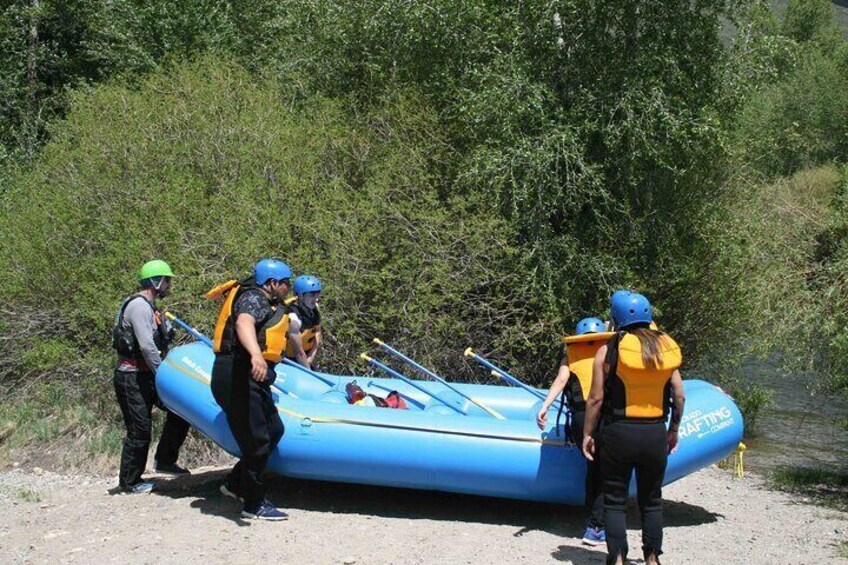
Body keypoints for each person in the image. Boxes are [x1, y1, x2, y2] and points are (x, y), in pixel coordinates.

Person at [581, 292, 686, 565]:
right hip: (654, 432)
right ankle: (652, 559)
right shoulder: (663, 349)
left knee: (614, 500)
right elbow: (679, 396)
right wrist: (673, 429)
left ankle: (617, 559)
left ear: (615, 319)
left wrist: (588, 433)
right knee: (652, 500)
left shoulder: (608, 350)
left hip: (618, 433)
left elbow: (595, 399)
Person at [209, 259, 291, 521]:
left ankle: (234, 484)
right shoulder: (254, 298)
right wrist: (256, 355)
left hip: (250, 375)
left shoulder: (266, 301)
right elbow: (244, 323)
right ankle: (253, 504)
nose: (287, 288)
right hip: (237, 373)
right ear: (272, 283)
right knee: (257, 441)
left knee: (274, 429)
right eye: (285, 283)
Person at [112, 260, 190, 494]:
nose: (169, 285)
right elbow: (146, 347)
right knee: (139, 428)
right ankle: (129, 482)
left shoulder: (151, 307)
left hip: (146, 375)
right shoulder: (139, 307)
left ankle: (165, 460)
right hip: (132, 377)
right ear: (157, 282)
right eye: (167, 281)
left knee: (180, 410)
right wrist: (163, 374)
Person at [537, 317, 610, 546]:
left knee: (593, 469)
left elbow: (561, 381)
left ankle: (593, 521)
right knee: (605, 471)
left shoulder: (571, 354)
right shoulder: (608, 351)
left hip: (580, 419)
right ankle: (597, 527)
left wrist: (545, 406)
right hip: (604, 416)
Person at [285, 275, 323, 368]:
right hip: (289, 361)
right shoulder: (293, 318)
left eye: (317, 294)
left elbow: (317, 333)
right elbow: (298, 352)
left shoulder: (315, 308)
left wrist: (310, 357)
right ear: (301, 295)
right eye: (312, 295)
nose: (316, 298)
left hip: (306, 356)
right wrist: (308, 370)